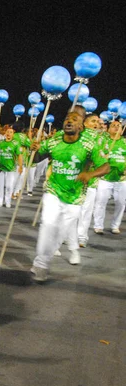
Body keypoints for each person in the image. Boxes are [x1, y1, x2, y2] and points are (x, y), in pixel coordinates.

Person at [29, 112, 109, 282]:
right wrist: (33, 150)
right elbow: (37, 158)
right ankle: (41, 265)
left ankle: (44, 261)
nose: (69, 122)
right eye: (67, 119)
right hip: (53, 190)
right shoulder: (53, 141)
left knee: (60, 233)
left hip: (75, 197)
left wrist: (90, 174)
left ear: (81, 127)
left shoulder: (88, 145)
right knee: (48, 224)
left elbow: (106, 167)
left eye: (74, 120)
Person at [76, 114, 108, 246]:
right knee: (74, 209)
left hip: (91, 181)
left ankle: (82, 236)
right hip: (76, 179)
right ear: (85, 123)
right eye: (93, 121)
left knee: (87, 210)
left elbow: (104, 159)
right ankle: (69, 235)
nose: (96, 124)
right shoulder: (79, 137)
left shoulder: (102, 140)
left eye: (98, 122)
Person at [92, 120, 126, 235]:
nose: (116, 128)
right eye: (113, 126)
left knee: (121, 203)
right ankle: (98, 225)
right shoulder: (104, 141)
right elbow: (97, 154)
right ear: (108, 129)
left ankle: (115, 226)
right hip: (105, 178)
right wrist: (103, 157)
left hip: (121, 179)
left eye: (119, 126)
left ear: (122, 130)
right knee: (101, 202)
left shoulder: (125, 142)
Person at [0, 126, 23, 208]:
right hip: (0, 167)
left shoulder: (15, 143)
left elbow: (19, 155)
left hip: (11, 168)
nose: (9, 133)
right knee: (0, 185)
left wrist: (20, 166)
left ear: (13, 134)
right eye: (7, 132)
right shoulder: (0, 142)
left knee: (9, 186)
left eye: (11, 132)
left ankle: (7, 201)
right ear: (5, 133)